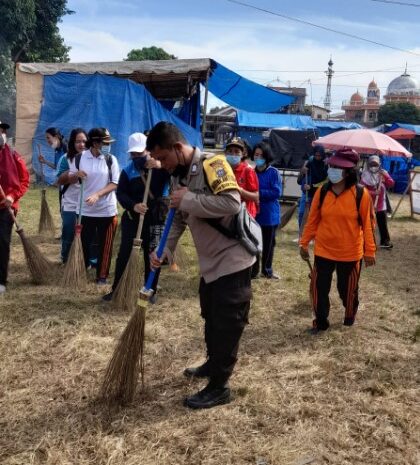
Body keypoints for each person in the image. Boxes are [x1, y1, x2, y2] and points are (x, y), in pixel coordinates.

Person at [147, 122, 255, 409]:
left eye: (163, 158)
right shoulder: (179, 177)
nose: (162, 165)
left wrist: (190, 199)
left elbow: (232, 204)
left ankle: (219, 386)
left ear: (177, 148)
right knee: (210, 315)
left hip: (232, 259)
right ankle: (212, 362)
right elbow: (179, 218)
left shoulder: (214, 164)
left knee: (228, 323)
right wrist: (165, 250)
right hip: (211, 264)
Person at [299, 149, 376, 334]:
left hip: (350, 253)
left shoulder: (360, 194)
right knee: (318, 288)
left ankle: (349, 315)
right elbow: (313, 220)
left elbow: (368, 225)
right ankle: (320, 322)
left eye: (337, 167)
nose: (332, 169)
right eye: (331, 165)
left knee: (347, 290)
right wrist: (304, 242)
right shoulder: (323, 191)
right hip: (324, 250)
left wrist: (370, 251)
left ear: (349, 171)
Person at [102, 132, 170, 302]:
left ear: (147, 150)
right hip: (133, 219)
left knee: (153, 256)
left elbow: (175, 176)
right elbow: (121, 193)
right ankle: (117, 289)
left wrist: (161, 165)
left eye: (139, 154)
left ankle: (150, 290)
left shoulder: (160, 169)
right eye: (133, 154)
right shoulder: (128, 171)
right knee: (125, 254)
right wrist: (134, 205)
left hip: (155, 219)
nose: (136, 157)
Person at [64, 128, 120, 283]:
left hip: (106, 211)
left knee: (105, 246)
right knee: (82, 244)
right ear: (95, 143)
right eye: (105, 143)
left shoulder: (111, 159)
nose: (108, 145)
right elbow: (71, 179)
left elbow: (114, 183)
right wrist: (76, 175)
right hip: (84, 211)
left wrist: (98, 194)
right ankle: (80, 270)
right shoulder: (79, 158)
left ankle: (102, 276)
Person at [0, 122, 30, 293]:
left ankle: (1, 280)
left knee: (2, 241)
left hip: (6, 207)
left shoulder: (13, 155)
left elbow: (24, 180)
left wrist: (12, 196)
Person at [56, 128, 88, 263]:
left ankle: (88, 260)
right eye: (78, 142)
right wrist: (73, 174)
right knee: (69, 229)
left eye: (84, 141)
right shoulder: (65, 159)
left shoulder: (92, 158)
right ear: (72, 143)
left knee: (88, 233)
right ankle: (66, 257)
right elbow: (59, 180)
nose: (81, 145)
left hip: (88, 203)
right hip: (70, 202)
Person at [252, 142, 282, 279]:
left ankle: (267, 270)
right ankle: (254, 271)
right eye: (256, 155)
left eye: (261, 155)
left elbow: (276, 192)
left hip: (270, 216)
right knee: (254, 244)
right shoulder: (251, 172)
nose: (258, 157)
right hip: (254, 214)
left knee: (269, 245)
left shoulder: (273, 172)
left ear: (267, 156)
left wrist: (258, 193)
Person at [360, 155, 395, 249]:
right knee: (368, 224)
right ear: (368, 164)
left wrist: (386, 176)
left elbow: (391, 183)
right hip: (368, 204)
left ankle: (385, 242)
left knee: (383, 224)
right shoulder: (364, 175)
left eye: (375, 164)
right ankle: (367, 243)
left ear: (379, 164)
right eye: (371, 164)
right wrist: (373, 192)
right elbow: (361, 189)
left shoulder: (382, 174)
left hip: (381, 205)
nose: (373, 166)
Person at [224, 137, 259, 218]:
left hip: (244, 215)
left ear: (243, 154)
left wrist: (240, 190)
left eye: (237, 151)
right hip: (228, 213)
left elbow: (256, 197)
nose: (233, 154)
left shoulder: (248, 170)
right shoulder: (223, 169)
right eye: (230, 151)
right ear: (225, 153)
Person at [297, 145, 328, 231]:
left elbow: (326, 181)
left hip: (318, 193)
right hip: (307, 193)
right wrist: (303, 172)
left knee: (315, 215)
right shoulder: (310, 161)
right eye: (316, 155)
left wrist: (313, 186)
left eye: (320, 156)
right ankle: (301, 233)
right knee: (302, 213)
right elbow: (301, 179)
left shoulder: (326, 165)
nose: (318, 157)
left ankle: (313, 233)